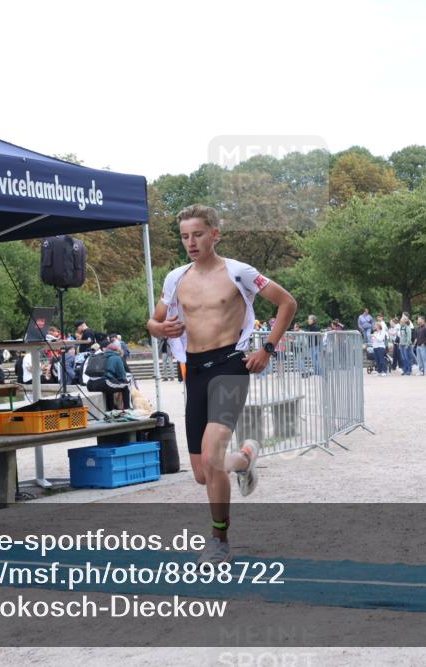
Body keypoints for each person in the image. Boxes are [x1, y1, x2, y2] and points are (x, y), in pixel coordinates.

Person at [147, 204, 296, 566]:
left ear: (215, 234)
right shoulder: (175, 278)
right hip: (194, 371)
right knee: (202, 473)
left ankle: (219, 540)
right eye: (184, 236)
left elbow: (286, 303)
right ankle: (244, 459)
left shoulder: (239, 273)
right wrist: (160, 329)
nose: (191, 242)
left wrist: (267, 348)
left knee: (212, 455)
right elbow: (153, 322)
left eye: (198, 234)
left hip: (230, 366)